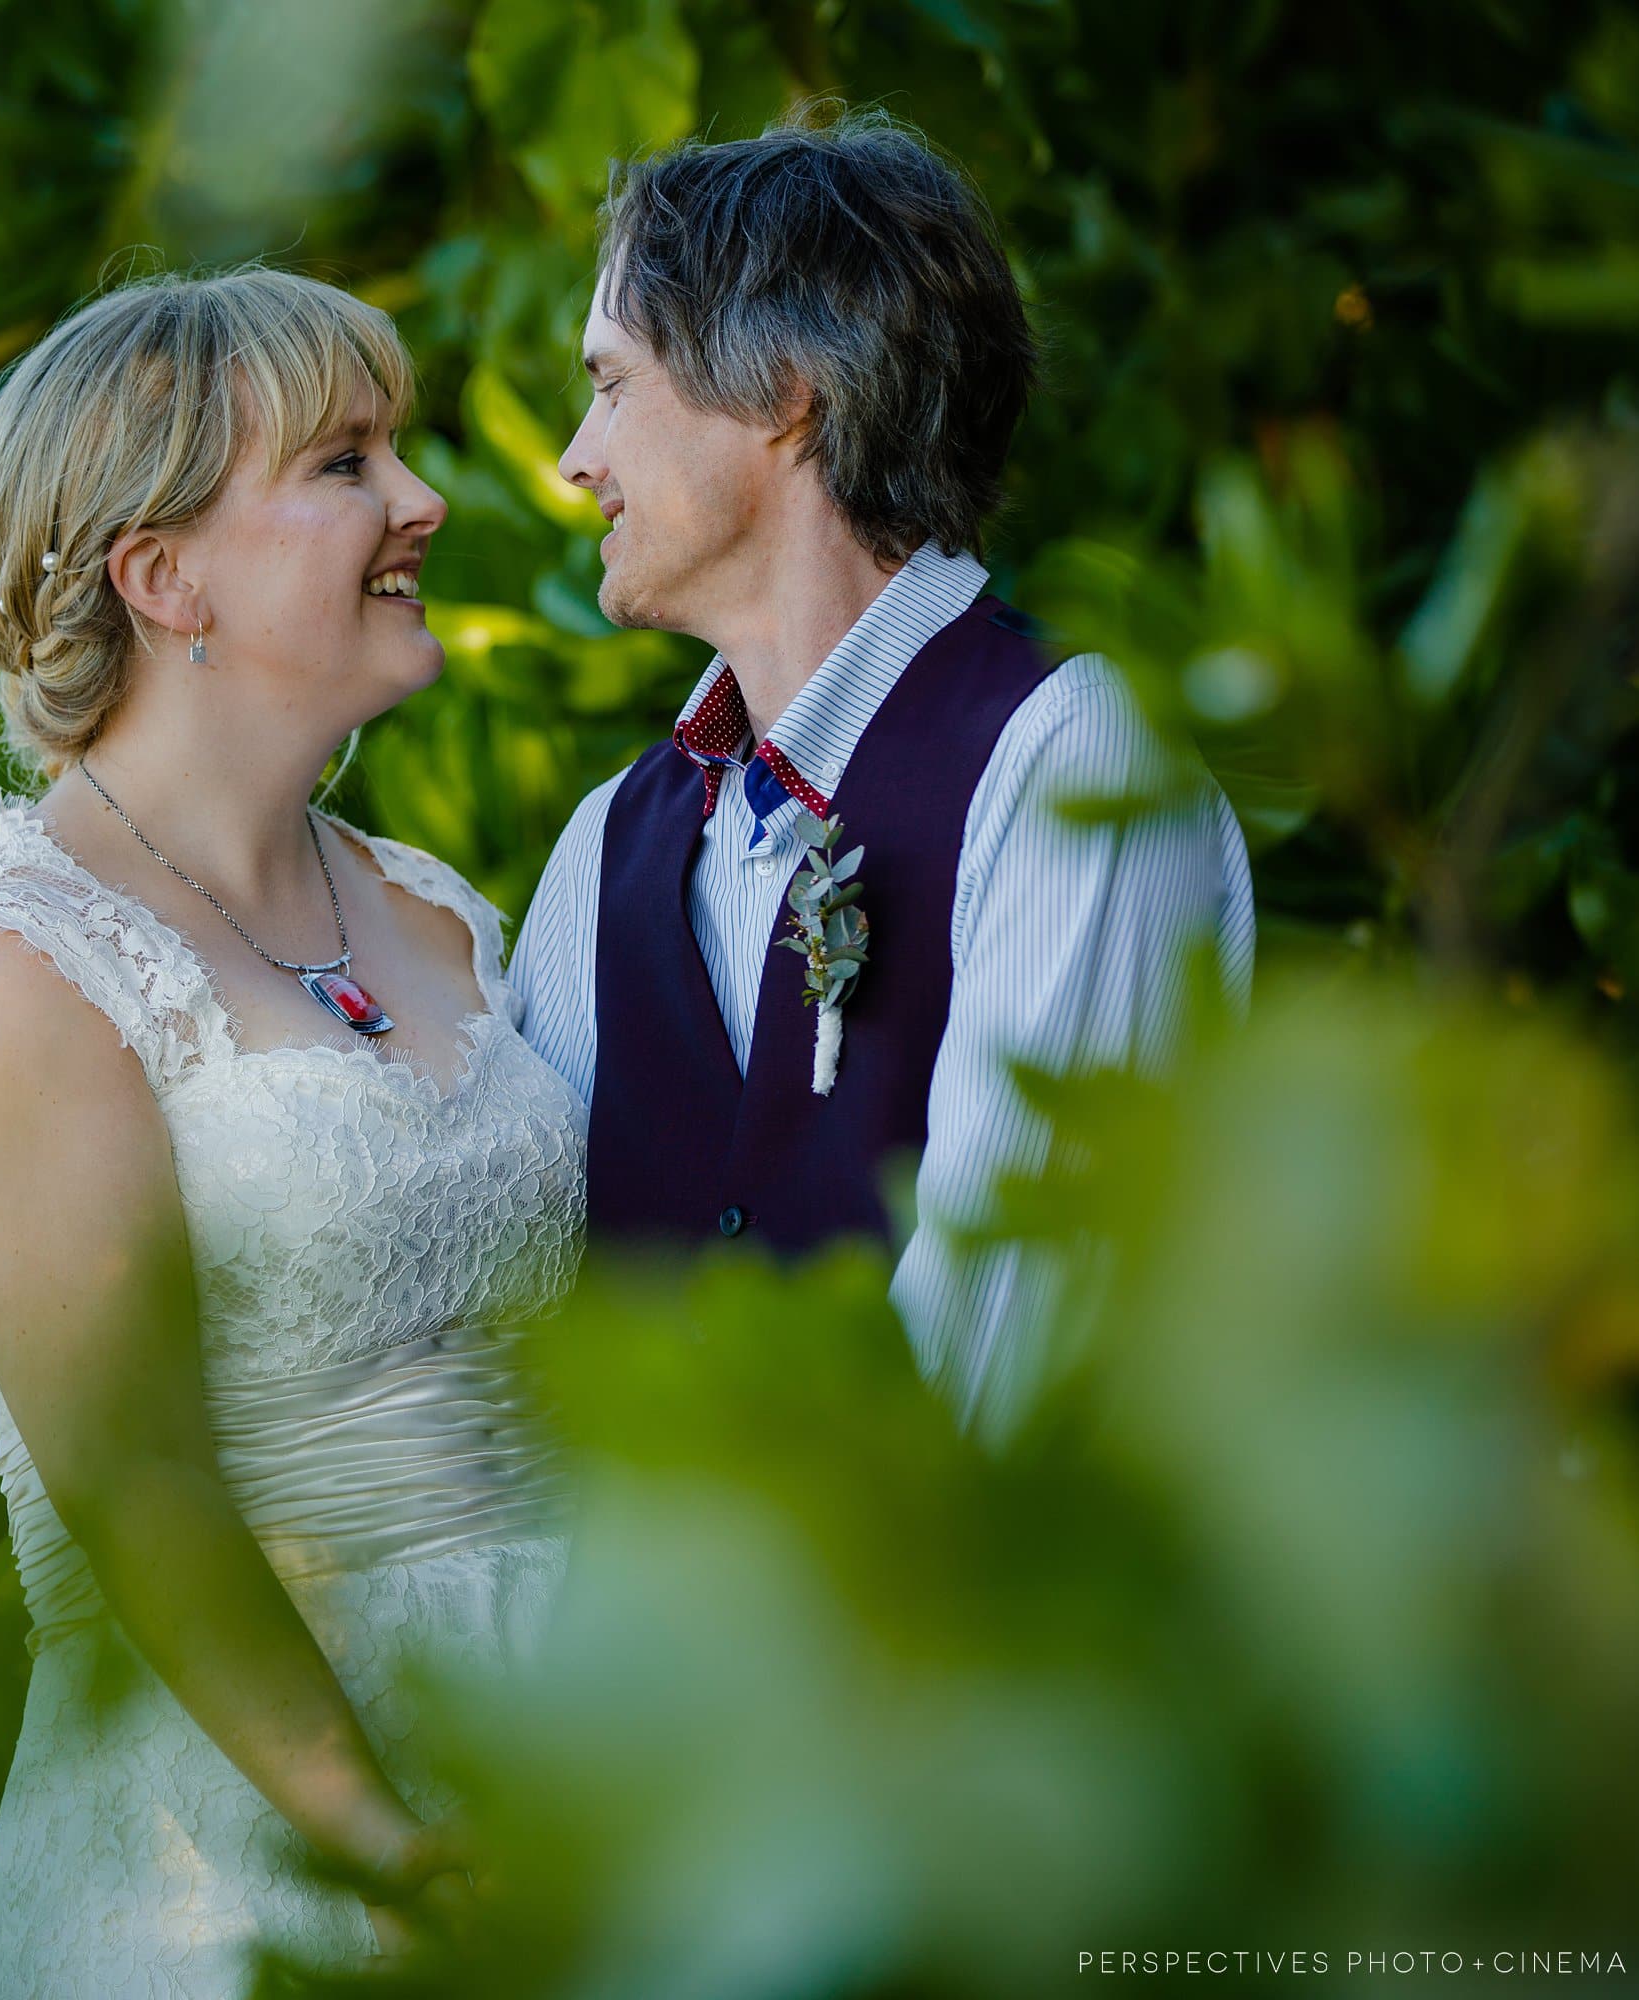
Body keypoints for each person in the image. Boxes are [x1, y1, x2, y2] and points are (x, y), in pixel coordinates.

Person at [0, 268, 586, 1997]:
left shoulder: (434, 912)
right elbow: (138, 1480)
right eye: (345, 464)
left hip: (580, 1755)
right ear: (163, 578)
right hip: (249, 1853)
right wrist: (388, 1847)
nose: (422, 500)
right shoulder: (14, 978)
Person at [507, 108, 1256, 1443]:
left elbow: (1010, 1342)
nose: (576, 458)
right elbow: (541, 1319)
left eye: (612, 385)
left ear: (786, 389)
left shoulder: (1074, 754)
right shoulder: (608, 843)